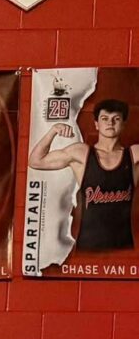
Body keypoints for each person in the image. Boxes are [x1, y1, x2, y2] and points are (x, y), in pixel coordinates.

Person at [28, 98, 139, 252]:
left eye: (116, 119)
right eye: (104, 118)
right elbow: (35, 161)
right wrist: (53, 131)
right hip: (89, 247)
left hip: (123, 248)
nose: (110, 123)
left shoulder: (134, 154)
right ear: (96, 124)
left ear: (124, 124)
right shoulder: (81, 153)